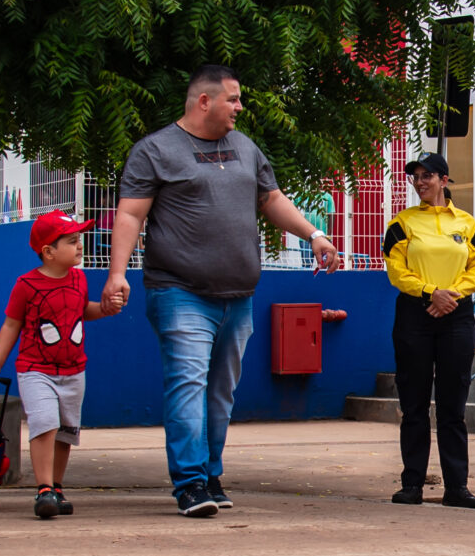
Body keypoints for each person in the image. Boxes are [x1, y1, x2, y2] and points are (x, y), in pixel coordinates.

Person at [103, 66, 337, 518]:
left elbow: (272, 200)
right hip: (179, 291)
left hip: (239, 296)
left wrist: (314, 234)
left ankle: (210, 474)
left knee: (220, 392)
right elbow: (130, 215)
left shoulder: (245, 148)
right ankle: (189, 484)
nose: (240, 107)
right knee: (188, 384)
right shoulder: (155, 150)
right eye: (233, 99)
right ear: (203, 101)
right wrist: (117, 274)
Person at [0, 211, 123, 520]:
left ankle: (56, 487)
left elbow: (84, 311)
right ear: (48, 251)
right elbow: (11, 325)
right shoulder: (27, 285)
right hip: (35, 369)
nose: (79, 246)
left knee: (66, 432)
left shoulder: (79, 279)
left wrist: (107, 309)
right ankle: (43, 490)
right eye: (72, 241)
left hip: (73, 371)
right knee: (45, 424)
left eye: (79, 239)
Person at [383, 151, 475, 509]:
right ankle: (412, 484)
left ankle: (456, 488)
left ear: (444, 180)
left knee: (452, 406)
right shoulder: (402, 223)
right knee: (413, 404)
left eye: (427, 175)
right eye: (415, 177)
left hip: (456, 317)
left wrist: (452, 296)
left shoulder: (468, 225)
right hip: (415, 314)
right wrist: (431, 293)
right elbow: (396, 271)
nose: (420, 182)